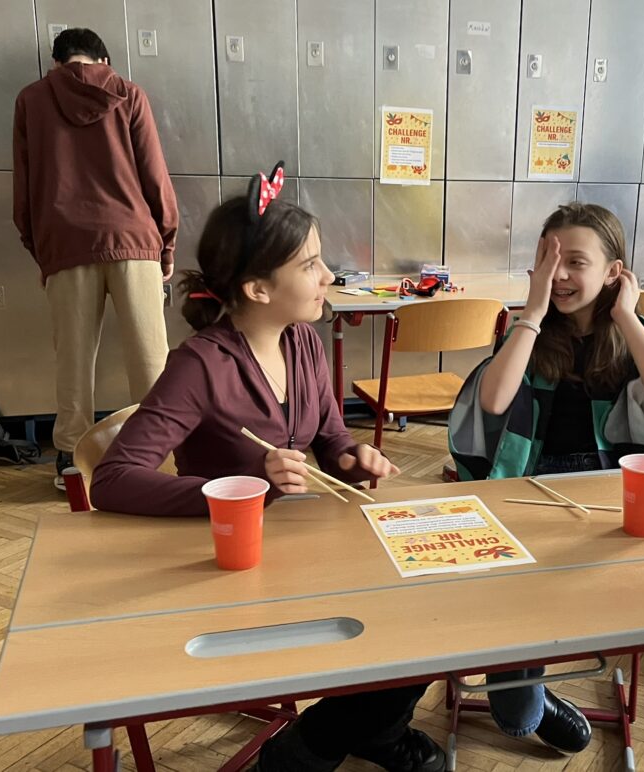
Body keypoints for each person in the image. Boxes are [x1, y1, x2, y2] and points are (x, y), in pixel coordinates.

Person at [91, 165, 443, 771]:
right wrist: (239, 491)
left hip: (304, 553)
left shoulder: (302, 341)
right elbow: (112, 479)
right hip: (233, 571)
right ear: (257, 289)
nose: (327, 276)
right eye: (310, 265)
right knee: (402, 628)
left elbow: (329, 436)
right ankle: (329, 744)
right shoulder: (200, 366)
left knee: (428, 612)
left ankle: (349, 735)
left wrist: (350, 458)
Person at [448, 202, 644, 753]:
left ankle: (532, 681)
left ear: (614, 272)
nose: (560, 274)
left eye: (575, 262)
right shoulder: (533, 330)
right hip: (531, 486)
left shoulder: (629, 333)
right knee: (520, 599)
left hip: (611, 491)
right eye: (549, 259)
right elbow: (493, 401)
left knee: (586, 591)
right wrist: (533, 310)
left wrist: (627, 317)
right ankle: (529, 692)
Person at [12, 27, 178, 490]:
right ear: (104, 60)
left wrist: (42, 252)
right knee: (150, 359)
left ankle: (71, 462)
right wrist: (166, 245)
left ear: (56, 61)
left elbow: (23, 189)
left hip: (66, 244)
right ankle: (159, 456)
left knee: (74, 360)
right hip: (133, 239)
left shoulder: (31, 100)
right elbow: (155, 175)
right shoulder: (128, 93)